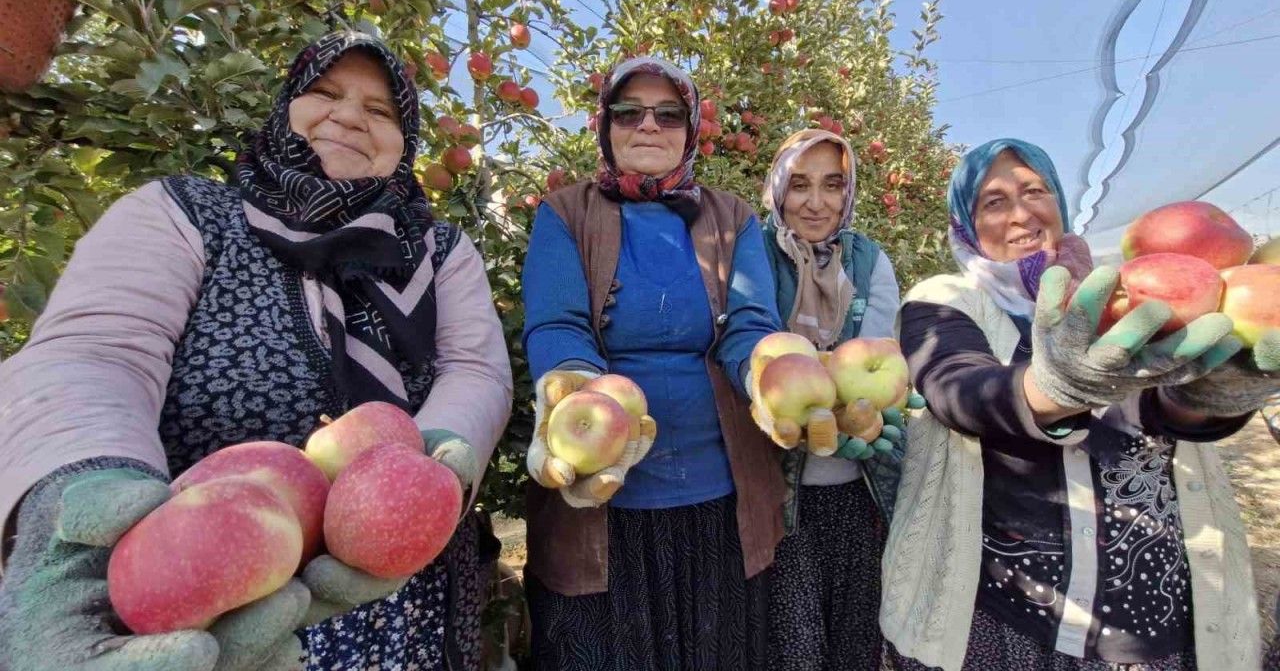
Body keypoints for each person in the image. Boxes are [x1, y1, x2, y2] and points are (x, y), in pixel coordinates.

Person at [0, 30, 512, 670]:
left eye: (380, 111)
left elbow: (474, 368)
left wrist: (431, 472)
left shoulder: (437, 249)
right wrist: (72, 486)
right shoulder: (186, 213)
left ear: (404, 142)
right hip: (191, 583)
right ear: (285, 107)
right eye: (324, 93)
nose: (350, 116)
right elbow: (96, 352)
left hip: (399, 582)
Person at [883, 138, 1276, 671]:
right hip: (1007, 614)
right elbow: (960, 391)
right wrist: (1060, 387)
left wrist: (1217, 392)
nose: (1021, 213)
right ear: (966, 226)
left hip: (1150, 615)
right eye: (994, 202)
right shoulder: (946, 298)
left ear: (1058, 204)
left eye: (1034, 191)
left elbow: (1168, 412)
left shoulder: (1122, 294)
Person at [519, 56, 786, 670]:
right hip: (607, 499)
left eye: (668, 114)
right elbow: (559, 323)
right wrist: (575, 390)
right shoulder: (565, 213)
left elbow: (749, 323)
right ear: (604, 125)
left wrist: (766, 374)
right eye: (629, 112)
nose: (648, 125)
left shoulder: (733, 217)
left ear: (690, 129)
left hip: (718, 496)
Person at [759, 128, 911, 670]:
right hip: (781, 495)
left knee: (855, 644)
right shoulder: (754, 256)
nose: (816, 202)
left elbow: (879, 361)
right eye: (799, 185)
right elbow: (751, 355)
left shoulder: (868, 260)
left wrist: (860, 408)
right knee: (795, 647)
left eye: (833, 184)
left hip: (860, 491)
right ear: (777, 190)